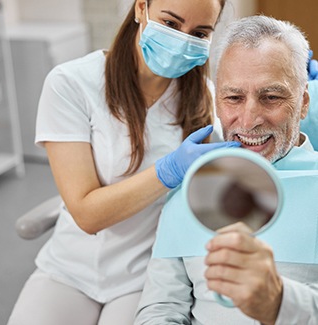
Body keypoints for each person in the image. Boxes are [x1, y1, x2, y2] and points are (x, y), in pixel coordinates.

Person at [7, 1, 244, 325]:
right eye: (171, 24)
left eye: (199, 33)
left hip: (145, 276)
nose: (183, 40)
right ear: (140, 8)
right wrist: (168, 171)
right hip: (69, 269)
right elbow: (87, 214)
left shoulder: (205, 99)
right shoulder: (72, 84)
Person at [134, 15, 318, 324]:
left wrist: (280, 303)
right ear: (217, 101)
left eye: (271, 97)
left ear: (302, 104)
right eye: (233, 97)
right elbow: (161, 307)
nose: (248, 121)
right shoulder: (189, 190)